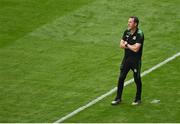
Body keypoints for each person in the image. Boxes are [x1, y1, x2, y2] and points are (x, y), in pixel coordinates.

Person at [111, 16, 144, 105]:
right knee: (121, 78)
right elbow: (121, 45)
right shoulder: (126, 32)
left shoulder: (140, 34)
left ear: (135, 24)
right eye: (128, 22)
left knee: (137, 78)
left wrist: (127, 45)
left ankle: (138, 99)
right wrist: (128, 45)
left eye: (130, 22)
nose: (128, 23)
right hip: (126, 59)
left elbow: (136, 49)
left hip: (135, 61)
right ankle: (118, 98)